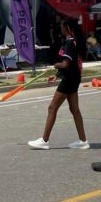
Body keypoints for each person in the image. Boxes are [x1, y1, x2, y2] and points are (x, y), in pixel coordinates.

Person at [29, 18, 89, 150]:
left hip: (69, 80)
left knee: (52, 108)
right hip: (73, 78)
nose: (60, 28)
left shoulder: (69, 43)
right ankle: (83, 141)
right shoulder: (74, 42)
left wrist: (55, 65)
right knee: (74, 109)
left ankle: (44, 141)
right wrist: (56, 75)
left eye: (61, 26)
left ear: (67, 28)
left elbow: (65, 64)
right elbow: (71, 65)